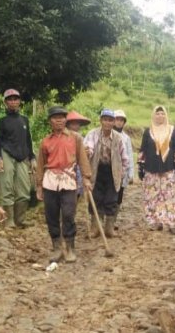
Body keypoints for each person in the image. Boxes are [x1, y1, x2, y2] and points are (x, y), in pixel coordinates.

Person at [35, 106, 92, 264]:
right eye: (55, 117)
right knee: (51, 215)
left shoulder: (75, 138)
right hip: (50, 181)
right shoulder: (45, 142)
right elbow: (40, 164)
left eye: (61, 117)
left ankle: (70, 247)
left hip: (68, 180)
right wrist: (39, 186)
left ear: (65, 120)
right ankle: (57, 247)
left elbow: (82, 159)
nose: (59, 120)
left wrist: (86, 178)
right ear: (50, 121)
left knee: (68, 214)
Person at [84, 109, 131, 238]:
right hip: (96, 170)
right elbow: (89, 146)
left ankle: (109, 228)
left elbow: (124, 157)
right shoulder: (92, 134)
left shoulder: (118, 138)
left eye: (110, 120)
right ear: (101, 121)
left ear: (114, 122)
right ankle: (95, 228)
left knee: (111, 199)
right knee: (96, 198)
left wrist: (123, 173)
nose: (108, 123)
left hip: (112, 171)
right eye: (105, 119)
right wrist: (88, 151)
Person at [0, 88, 35, 228]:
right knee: (7, 187)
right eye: (10, 99)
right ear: (5, 102)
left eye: (16, 99)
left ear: (19, 101)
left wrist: (32, 158)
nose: (13, 102)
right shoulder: (1, 119)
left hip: (22, 156)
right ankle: (8, 221)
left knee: (24, 189)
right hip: (6, 154)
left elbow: (29, 139)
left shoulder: (25, 120)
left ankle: (19, 220)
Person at [138, 105, 175, 233]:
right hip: (151, 168)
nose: (160, 116)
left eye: (162, 113)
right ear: (153, 115)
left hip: (168, 168)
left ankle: (171, 223)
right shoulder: (148, 131)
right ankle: (155, 222)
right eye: (157, 113)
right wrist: (140, 166)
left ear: (166, 115)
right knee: (152, 196)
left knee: (169, 196)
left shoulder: (172, 130)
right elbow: (143, 149)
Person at [112, 109, 134, 230]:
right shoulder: (107, 134)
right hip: (108, 171)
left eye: (121, 120)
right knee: (108, 196)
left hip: (121, 172)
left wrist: (131, 174)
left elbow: (130, 155)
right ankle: (104, 219)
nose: (119, 122)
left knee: (118, 196)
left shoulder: (126, 138)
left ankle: (112, 221)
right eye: (117, 119)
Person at [66, 111, 91, 199]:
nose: (76, 126)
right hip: (67, 172)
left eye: (78, 124)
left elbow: (85, 158)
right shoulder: (64, 138)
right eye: (73, 123)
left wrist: (87, 153)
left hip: (79, 171)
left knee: (76, 195)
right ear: (68, 125)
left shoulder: (82, 139)